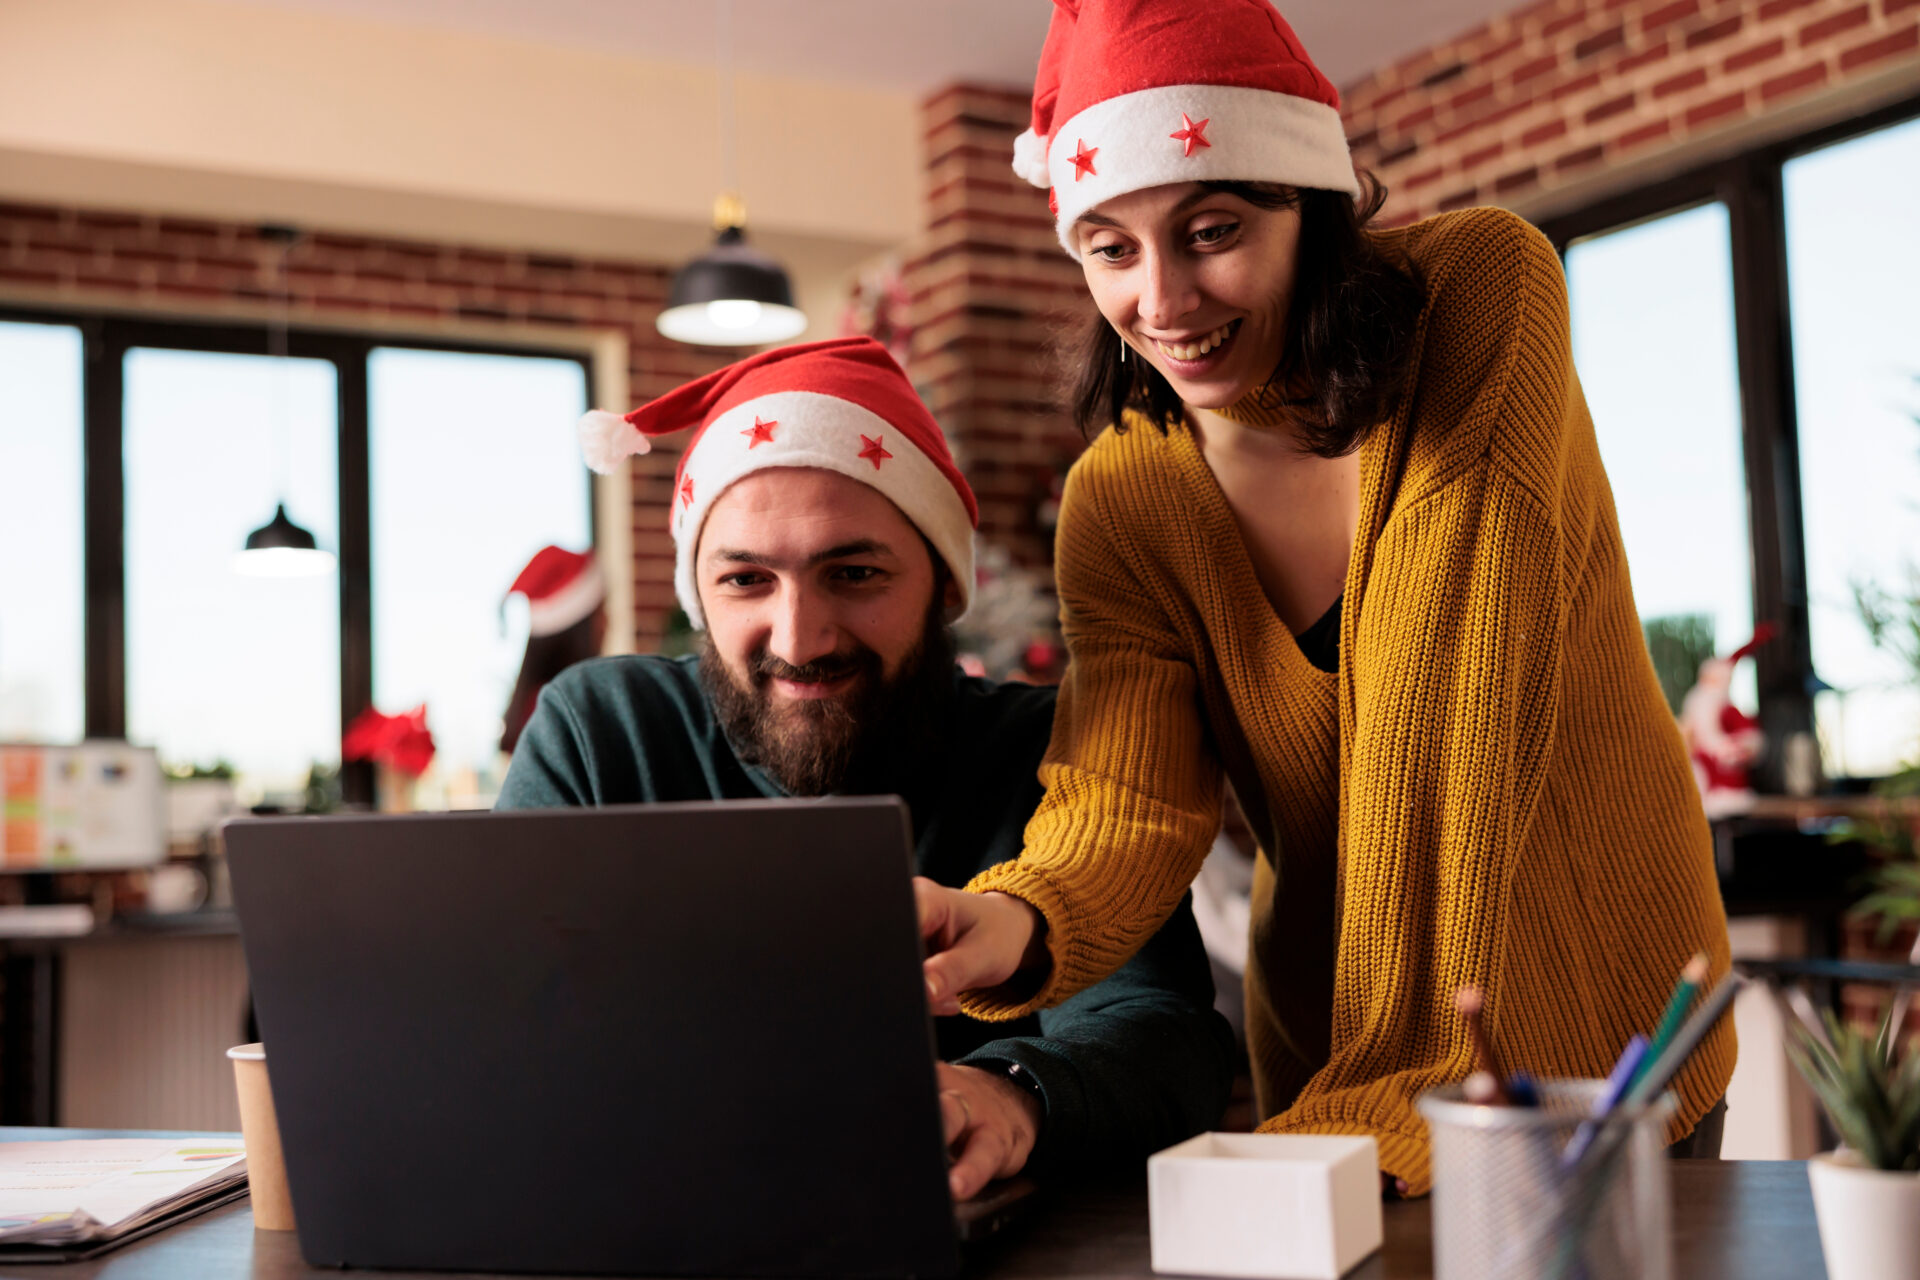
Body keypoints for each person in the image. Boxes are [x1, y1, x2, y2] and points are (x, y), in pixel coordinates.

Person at [912, 0, 1734, 1195]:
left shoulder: (1478, 293)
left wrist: (1413, 1069)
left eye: (1211, 229)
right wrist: (1020, 918)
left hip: (1605, 1020)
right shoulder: (1124, 499)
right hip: (1344, 1054)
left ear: (1310, 204)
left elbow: (1451, 676)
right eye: (1109, 246)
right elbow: (1129, 795)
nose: (1164, 299)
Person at [497, 337, 1234, 1200]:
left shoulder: (1050, 756)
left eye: (853, 573)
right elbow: (499, 1027)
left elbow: (1167, 1034)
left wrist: (1011, 1096)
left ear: (940, 585)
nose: (800, 638)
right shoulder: (602, 733)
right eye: (745, 580)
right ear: (698, 591)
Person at [499, 547, 608, 756]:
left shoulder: (534, 708)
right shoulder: (561, 711)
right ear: (578, 631)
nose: (607, 622)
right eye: (602, 610)